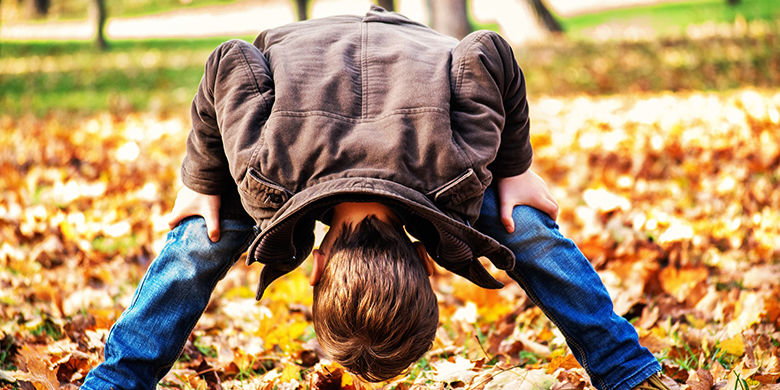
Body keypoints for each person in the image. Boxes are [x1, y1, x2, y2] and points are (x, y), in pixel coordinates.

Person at [82, 6, 668, 390]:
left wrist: (513, 173)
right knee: (203, 231)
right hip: (333, 77)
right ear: (316, 268)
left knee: (521, 223)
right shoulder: (266, 175)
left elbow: (488, 51)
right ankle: (624, 369)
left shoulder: (455, 173)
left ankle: (624, 368)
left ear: (421, 263)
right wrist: (203, 183)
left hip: (388, 70)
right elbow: (230, 60)